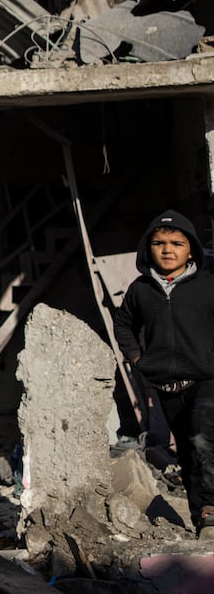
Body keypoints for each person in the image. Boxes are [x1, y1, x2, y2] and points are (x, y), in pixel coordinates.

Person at [113, 209, 214, 538]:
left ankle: (212, 508)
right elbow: (124, 325)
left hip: (205, 378)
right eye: (159, 243)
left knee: (203, 438)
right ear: (148, 248)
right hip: (166, 384)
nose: (168, 249)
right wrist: (138, 359)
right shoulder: (141, 290)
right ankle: (202, 518)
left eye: (177, 243)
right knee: (186, 449)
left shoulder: (208, 286)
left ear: (191, 249)